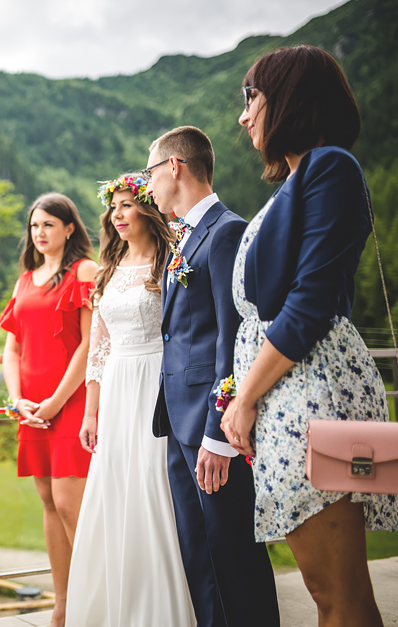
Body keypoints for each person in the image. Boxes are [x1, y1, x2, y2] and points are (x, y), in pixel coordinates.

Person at [221, 45, 398, 627]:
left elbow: (309, 305)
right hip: (289, 393)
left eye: (251, 98)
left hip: (314, 392)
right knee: (327, 591)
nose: (243, 115)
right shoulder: (298, 179)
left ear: (288, 98)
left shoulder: (330, 167)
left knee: (339, 592)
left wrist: (244, 398)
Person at [147, 125, 279, 627]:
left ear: (174, 166)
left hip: (212, 426)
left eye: (151, 172)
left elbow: (233, 338)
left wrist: (218, 435)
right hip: (176, 421)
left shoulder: (226, 232)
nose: (149, 185)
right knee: (198, 557)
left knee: (233, 555)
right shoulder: (183, 237)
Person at [65, 173, 194, 626]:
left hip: (156, 382)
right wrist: (90, 413)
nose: (117, 215)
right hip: (117, 387)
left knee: (153, 483)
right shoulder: (109, 268)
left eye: (126, 205)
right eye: (113, 207)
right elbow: (98, 350)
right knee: (114, 485)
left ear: (147, 208)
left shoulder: (170, 262)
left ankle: (158, 607)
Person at [0, 192, 97, 627]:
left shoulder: (84, 271)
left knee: (70, 504)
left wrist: (55, 402)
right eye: (35, 225)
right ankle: (63, 605)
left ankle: (98, 604)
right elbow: (12, 349)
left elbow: (90, 345)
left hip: (71, 403)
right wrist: (17, 400)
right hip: (31, 410)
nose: (39, 233)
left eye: (49, 225)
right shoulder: (24, 280)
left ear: (69, 228)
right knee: (49, 503)